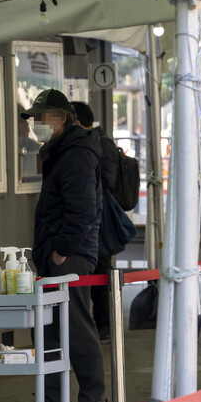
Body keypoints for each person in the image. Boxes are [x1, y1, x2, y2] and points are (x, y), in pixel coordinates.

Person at [15, 89, 110, 402]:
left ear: (60, 118)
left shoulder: (77, 154)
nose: (36, 123)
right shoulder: (61, 150)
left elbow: (83, 210)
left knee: (76, 326)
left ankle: (94, 400)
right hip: (59, 253)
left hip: (69, 255)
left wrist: (60, 251)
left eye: (41, 117)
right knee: (51, 330)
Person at [72, 102, 120, 343]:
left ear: (78, 121)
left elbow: (107, 182)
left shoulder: (102, 143)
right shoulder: (90, 141)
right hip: (93, 222)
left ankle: (106, 327)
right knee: (97, 276)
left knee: (102, 277)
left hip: (101, 223)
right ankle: (100, 325)